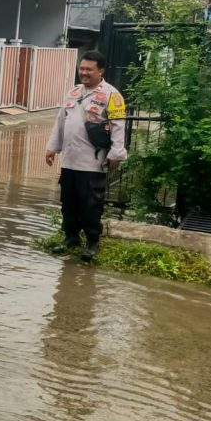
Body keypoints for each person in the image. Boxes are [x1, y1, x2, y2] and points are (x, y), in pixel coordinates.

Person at [45, 50, 127, 262]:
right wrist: (52, 147)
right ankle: (70, 237)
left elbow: (118, 127)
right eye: (81, 69)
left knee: (91, 204)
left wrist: (116, 154)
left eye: (89, 69)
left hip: (92, 161)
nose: (84, 73)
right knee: (68, 202)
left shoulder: (112, 95)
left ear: (100, 71)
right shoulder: (73, 93)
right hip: (70, 161)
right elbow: (60, 121)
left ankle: (92, 242)